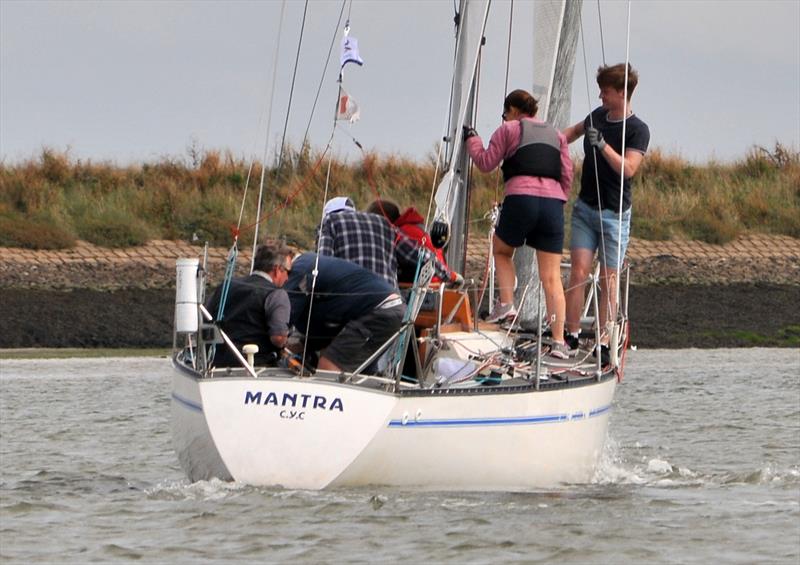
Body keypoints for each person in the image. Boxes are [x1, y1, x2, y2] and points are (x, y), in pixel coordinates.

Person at [465, 88, 573, 358]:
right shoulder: (557, 135)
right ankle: (558, 342)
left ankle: (507, 304)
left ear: (513, 110)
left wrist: (472, 140)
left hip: (521, 198)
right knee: (551, 277)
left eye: (505, 113)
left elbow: (486, 162)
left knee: (502, 250)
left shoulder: (509, 129)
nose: (504, 118)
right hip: (552, 204)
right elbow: (567, 173)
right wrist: (560, 199)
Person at [562, 63, 650, 359]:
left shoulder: (638, 130)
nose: (600, 96)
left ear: (622, 93)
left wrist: (601, 145)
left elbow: (629, 168)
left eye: (606, 91)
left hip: (615, 216)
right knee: (578, 272)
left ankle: (603, 340)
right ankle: (570, 336)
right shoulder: (597, 116)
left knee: (607, 279)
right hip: (586, 208)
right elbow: (572, 133)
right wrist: (544, 141)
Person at [285, 252, 405, 373]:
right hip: (389, 308)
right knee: (359, 372)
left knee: (328, 367)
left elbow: (284, 320)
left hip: (379, 310)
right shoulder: (310, 265)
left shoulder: (300, 268)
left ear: (278, 269)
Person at [317, 196, 462, 288]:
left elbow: (323, 268)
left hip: (428, 286)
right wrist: (452, 276)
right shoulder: (397, 230)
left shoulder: (331, 223)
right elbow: (423, 257)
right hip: (393, 301)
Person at [205, 243, 293, 367]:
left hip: (216, 362)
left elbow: (206, 318)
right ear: (278, 270)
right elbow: (278, 337)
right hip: (255, 366)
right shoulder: (277, 294)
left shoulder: (226, 286)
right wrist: (287, 339)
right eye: (288, 272)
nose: (288, 278)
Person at [365, 198, 449, 283]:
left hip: (428, 283)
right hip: (435, 279)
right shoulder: (412, 227)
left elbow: (424, 258)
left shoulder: (401, 234)